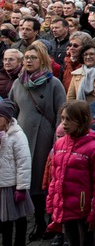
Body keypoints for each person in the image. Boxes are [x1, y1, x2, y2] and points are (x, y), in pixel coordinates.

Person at [8, 42, 66, 240]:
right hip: (21, 137)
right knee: (24, 180)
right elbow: (11, 110)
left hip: (44, 137)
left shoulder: (53, 83)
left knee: (43, 182)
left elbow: (61, 112)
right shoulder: (18, 83)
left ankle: (46, 222)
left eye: (33, 58)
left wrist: (57, 141)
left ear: (42, 60)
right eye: (26, 58)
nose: (29, 61)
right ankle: (34, 220)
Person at [46, 101, 95, 246]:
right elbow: (55, 178)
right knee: (71, 240)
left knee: (86, 241)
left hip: (83, 209)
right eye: (62, 118)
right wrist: (51, 203)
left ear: (82, 120)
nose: (64, 123)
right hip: (65, 205)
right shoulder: (59, 144)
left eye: (69, 119)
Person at [0, 101, 32, 246]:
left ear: (6, 118)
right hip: (1, 185)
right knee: (4, 220)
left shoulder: (17, 135)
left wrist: (22, 187)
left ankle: (20, 242)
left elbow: (24, 162)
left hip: (14, 185)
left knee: (19, 217)